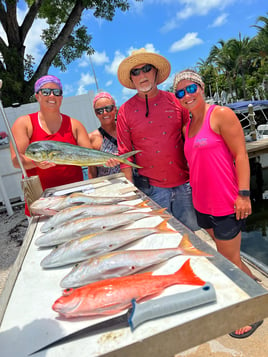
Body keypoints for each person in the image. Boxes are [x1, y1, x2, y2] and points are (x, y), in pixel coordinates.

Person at [173, 69, 263, 339]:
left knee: (230, 259)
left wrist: (243, 194)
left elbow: (241, 155)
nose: (187, 95)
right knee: (227, 257)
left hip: (226, 202)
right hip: (201, 205)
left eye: (191, 89)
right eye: (180, 92)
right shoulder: (186, 126)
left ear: (201, 88)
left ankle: (254, 308)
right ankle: (253, 282)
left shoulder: (220, 115)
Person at [116, 48, 199, 231]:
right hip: (150, 190)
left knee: (193, 237)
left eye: (146, 69)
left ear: (156, 72)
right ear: (131, 78)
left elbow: (193, 142)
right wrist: (131, 196)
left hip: (185, 186)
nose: (142, 75)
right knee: (161, 239)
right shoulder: (124, 111)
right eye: (135, 72)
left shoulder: (177, 101)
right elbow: (125, 156)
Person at [10, 74, 95, 216]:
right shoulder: (24, 123)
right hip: (41, 200)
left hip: (74, 195)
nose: (52, 95)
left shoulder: (75, 124)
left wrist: (109, 159)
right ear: (37, 96)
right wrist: (36, 163)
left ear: (61, 97)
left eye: (57, 92)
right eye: (46, 91)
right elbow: (16, 160)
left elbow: (89, 155)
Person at [88, 92, 120, 178]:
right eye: (100, 110)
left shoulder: (126, 131)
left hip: (135, 184)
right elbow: (92, 170)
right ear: (96, 114)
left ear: (115, 109)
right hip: (107, 187)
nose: (105, 113)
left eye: (108, 108)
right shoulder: (91, 138)